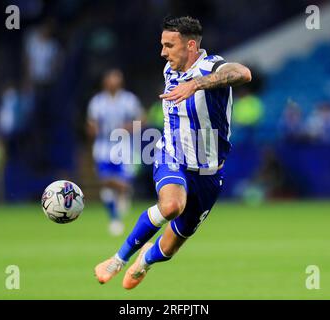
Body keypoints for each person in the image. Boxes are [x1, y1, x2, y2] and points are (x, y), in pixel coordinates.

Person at [94, 16, 251, 289]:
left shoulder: (211, 66)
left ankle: (144, 261)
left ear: (190, 46)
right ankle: (117, 259)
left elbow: (243, 73)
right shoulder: (170, 68)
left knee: (169, 248)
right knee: (171, 206)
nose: (163, 52)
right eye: (162, 45)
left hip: (209, 172)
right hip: (171, 156)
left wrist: (197, 84)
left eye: (169, 45)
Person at [87, 69, 143, 236]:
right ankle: (115, 217)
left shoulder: (129, 100)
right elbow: (90, 124)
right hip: (103, 147)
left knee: (123, 182)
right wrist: (92, 129)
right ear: (105, 82)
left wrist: (130, 127)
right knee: (105, 182)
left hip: (123, 147)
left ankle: (123, 194)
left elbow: (141, 119)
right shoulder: (97, 102)